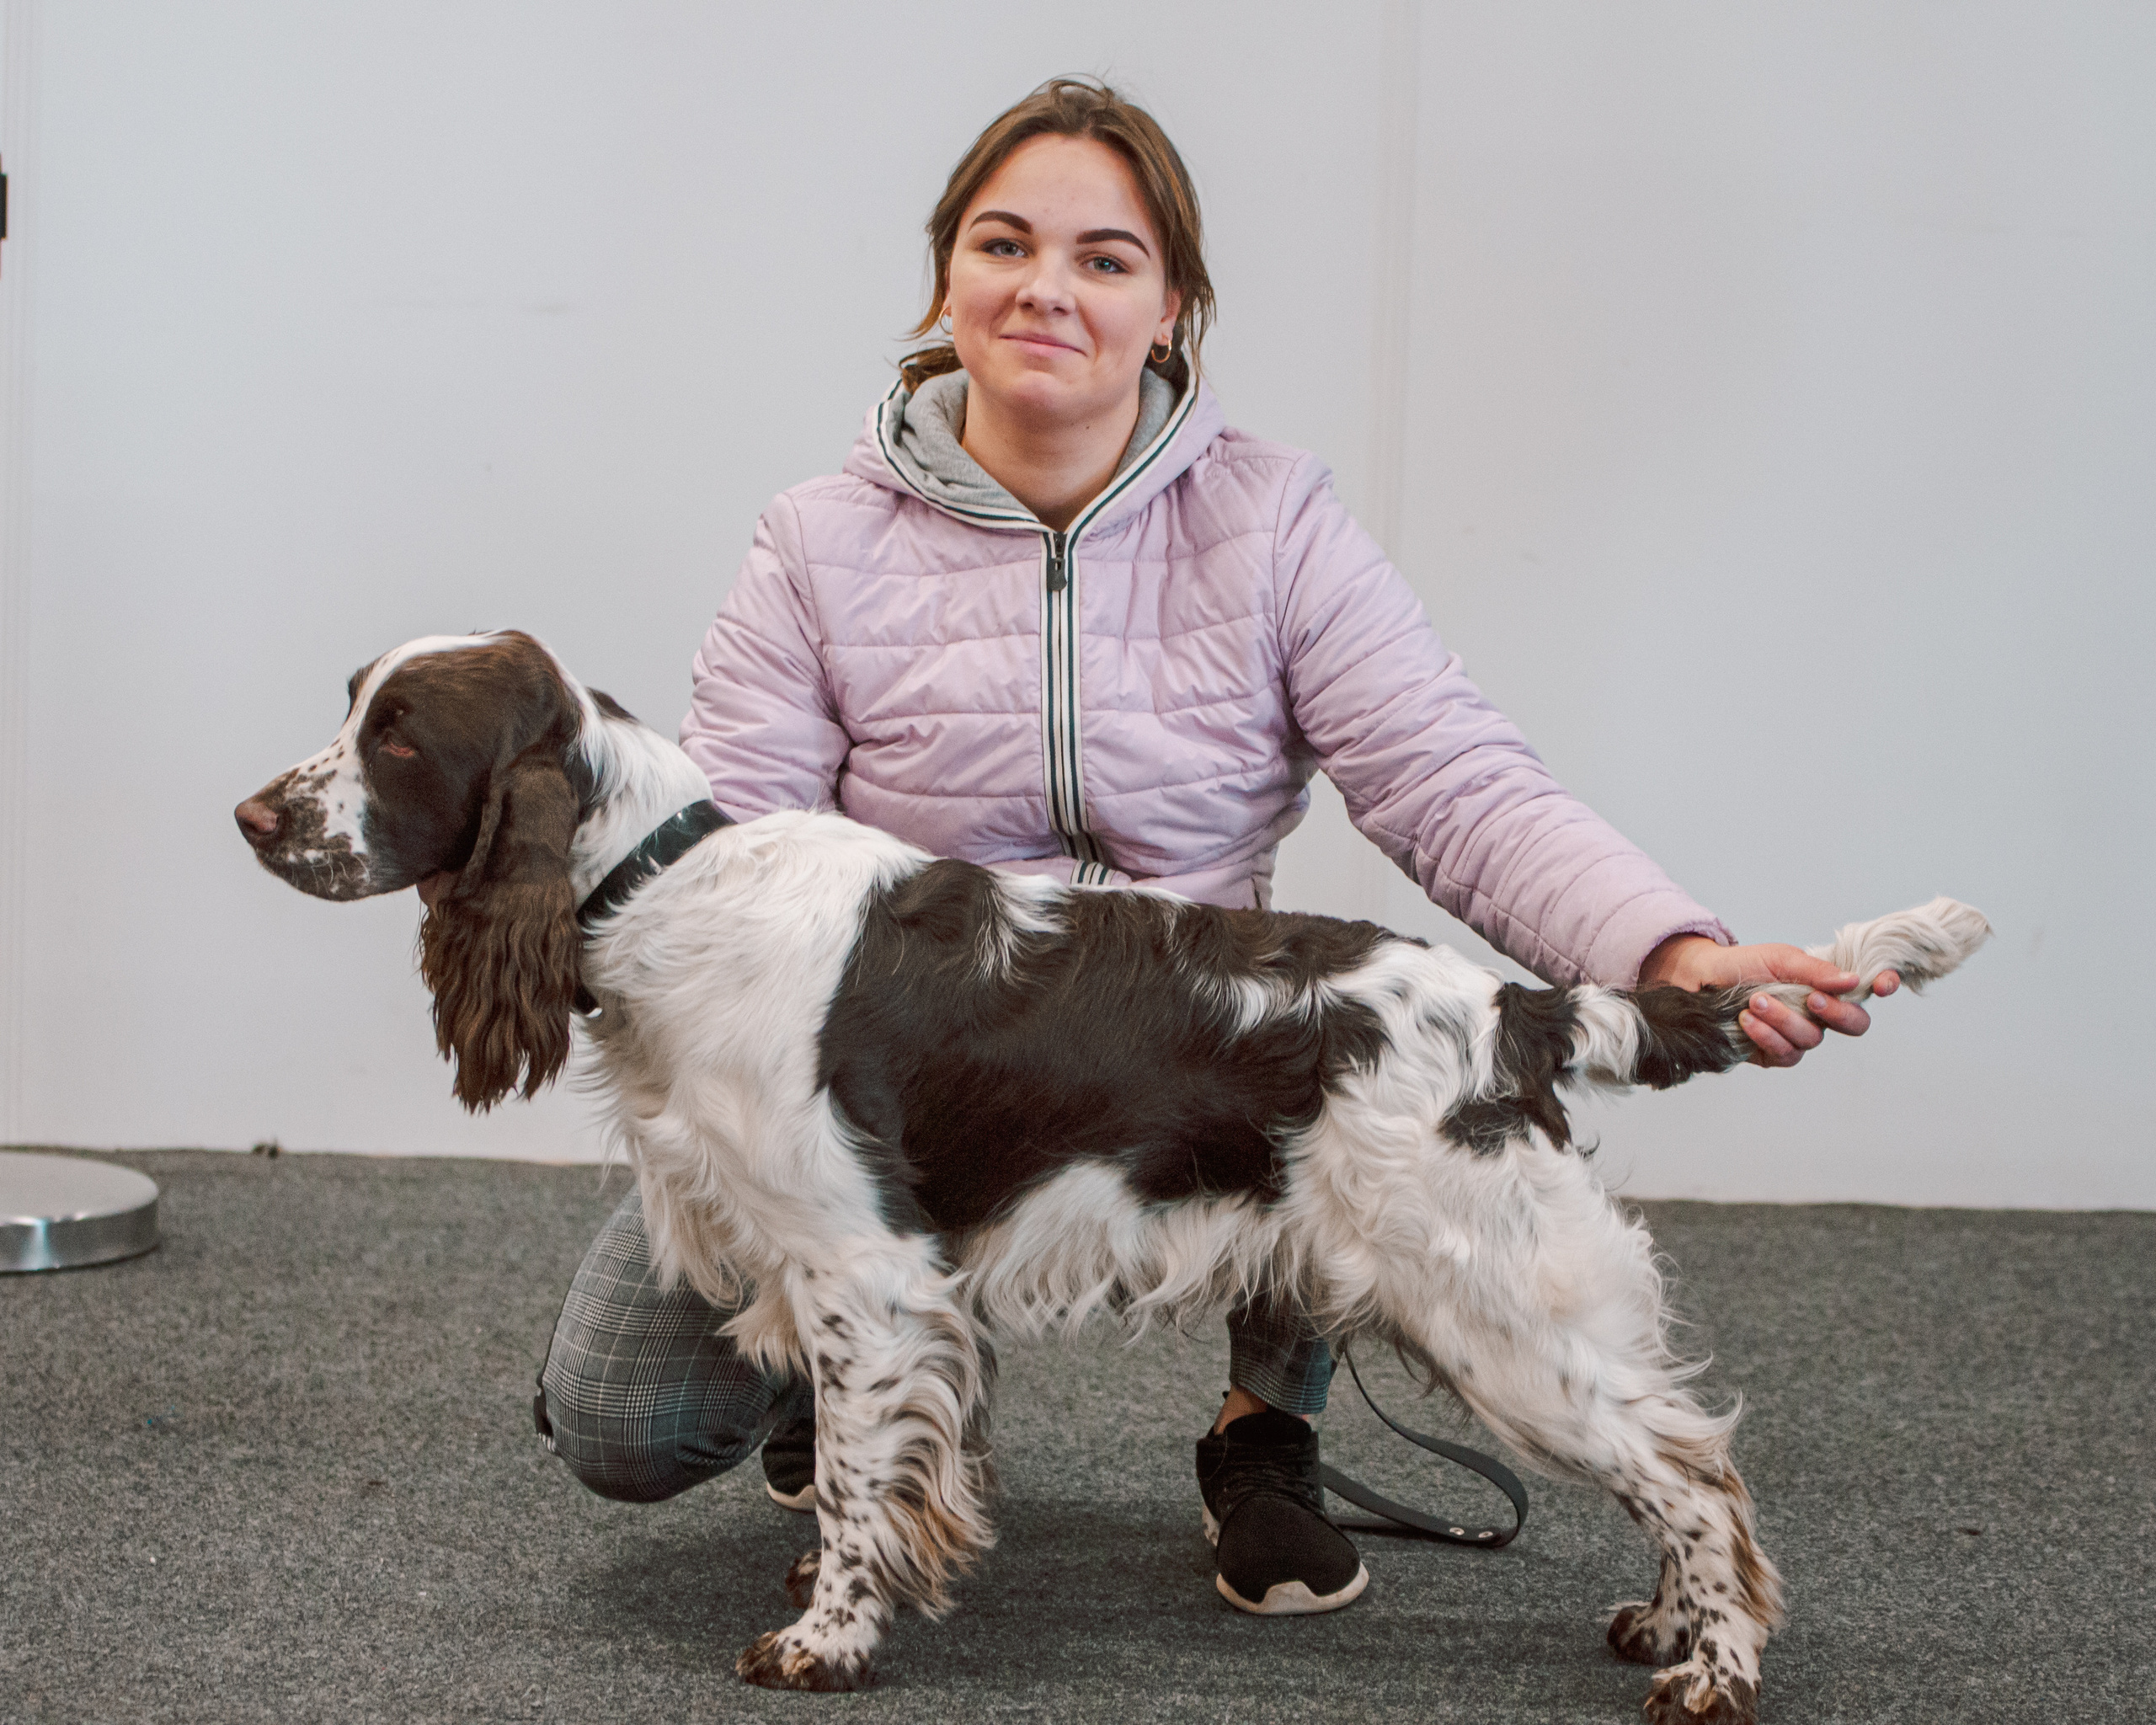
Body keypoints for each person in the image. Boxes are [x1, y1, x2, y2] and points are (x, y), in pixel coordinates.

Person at [536, 77, 1894, 1619]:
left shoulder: (1272, 523)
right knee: (626, 1420)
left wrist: (1669, 957)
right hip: (907, 1077)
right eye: (1005, 243)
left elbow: (1451, 778)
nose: (1048, 287)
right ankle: (875, 1380)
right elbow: (743, 865)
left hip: (1214, 1063)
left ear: (1172, 307)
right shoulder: (816, 541)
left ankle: (1266, 1437)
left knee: (1339, 1094)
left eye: (1106, 259)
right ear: (946, 277)